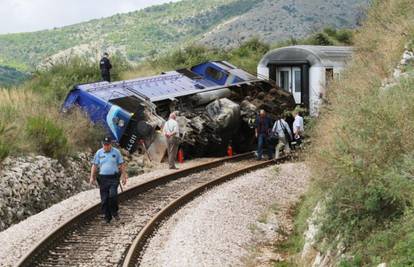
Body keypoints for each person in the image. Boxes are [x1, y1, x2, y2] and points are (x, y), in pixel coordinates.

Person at [90, 137, 127, 223]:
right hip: (103, 179)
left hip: (113, 178)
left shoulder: (116, 152)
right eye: (104, 144)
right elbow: (94, 165)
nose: (106, 146)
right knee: (104, 199)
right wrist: (92, 177)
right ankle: (107, 217)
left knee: (113, 195)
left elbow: (121, 164)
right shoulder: (99, 153)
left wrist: (123, 176)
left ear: (111, 144)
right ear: (102, 144)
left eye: (108, 144)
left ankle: (115, 212)